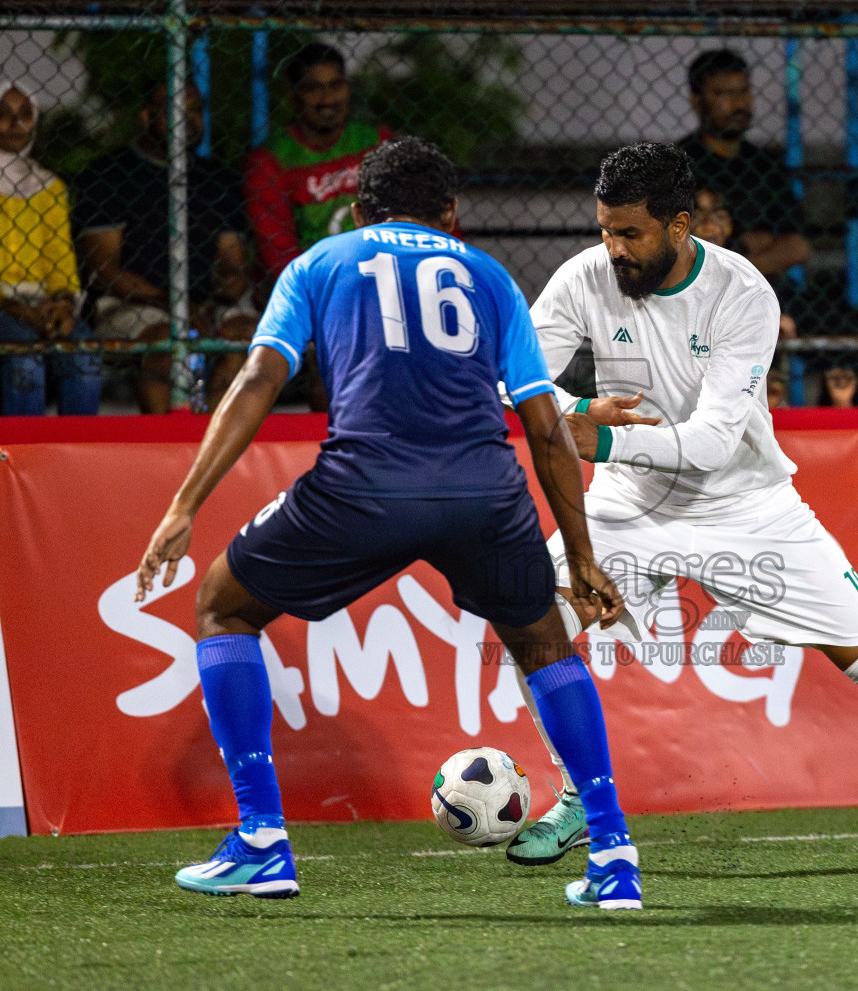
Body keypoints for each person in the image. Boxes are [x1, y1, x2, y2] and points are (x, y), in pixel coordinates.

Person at [504, 143, 858, 868]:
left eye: (630, 234)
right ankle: (584, 796)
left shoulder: (744, 294)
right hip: (629, 506)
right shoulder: (585, 277)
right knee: (532, 624)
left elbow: (711, 442)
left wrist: (602, 441)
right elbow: (511, 383)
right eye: (605, 230)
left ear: (680, 226)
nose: (612, 249)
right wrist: (580, 406)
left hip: (747, 507)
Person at [134, 138, 642, 910]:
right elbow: (544, 427)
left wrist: (184, 505)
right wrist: (580, 555)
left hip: (362, 489)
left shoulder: (320, 262)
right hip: (485, 494)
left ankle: (263, 842)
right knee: (546, 646)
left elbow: (257, 379)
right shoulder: (490, 276)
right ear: (451, 213)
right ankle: (613, 855)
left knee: (223, 608)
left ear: (359, 208)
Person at [76, 82, 256, 414]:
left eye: (196, 110)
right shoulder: (110, 175)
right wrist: (174, 305)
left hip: (204, 302)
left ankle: (212, 442)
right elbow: (104, 272)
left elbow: (234, 263)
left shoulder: (217, 178)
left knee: (249, 338)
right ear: (147, 116)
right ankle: (173, 445)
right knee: (165, 341)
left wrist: (225, 287)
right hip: (132, 303)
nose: (188, 119)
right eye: (176, 110)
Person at [0, 81, 101, 416]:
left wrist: (63, 304)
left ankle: (79, 453)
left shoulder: (49, 187)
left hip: (45, 304)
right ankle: (23, 458)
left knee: (84, 355)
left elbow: (61, 258)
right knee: (25, 358)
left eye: (25, 115)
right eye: (2, 114)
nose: (15, 125)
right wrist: (20, 311)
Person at [244, 42, 391, 284]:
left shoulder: (376, 142)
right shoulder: (270, 162)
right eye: (313, 88)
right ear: (293, 94)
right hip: (314, 288)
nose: (328, 98)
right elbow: (280, 257)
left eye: (336, 85)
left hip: (383, 278)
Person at [679, 50, 809, 279]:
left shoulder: (763, 165)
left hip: (759, 297)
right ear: (697, 101)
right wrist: (760, 245)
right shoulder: (676, 164)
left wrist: (730, 268)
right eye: (724, 94)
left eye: (743, 91)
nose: (738, 103)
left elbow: (797, 246)